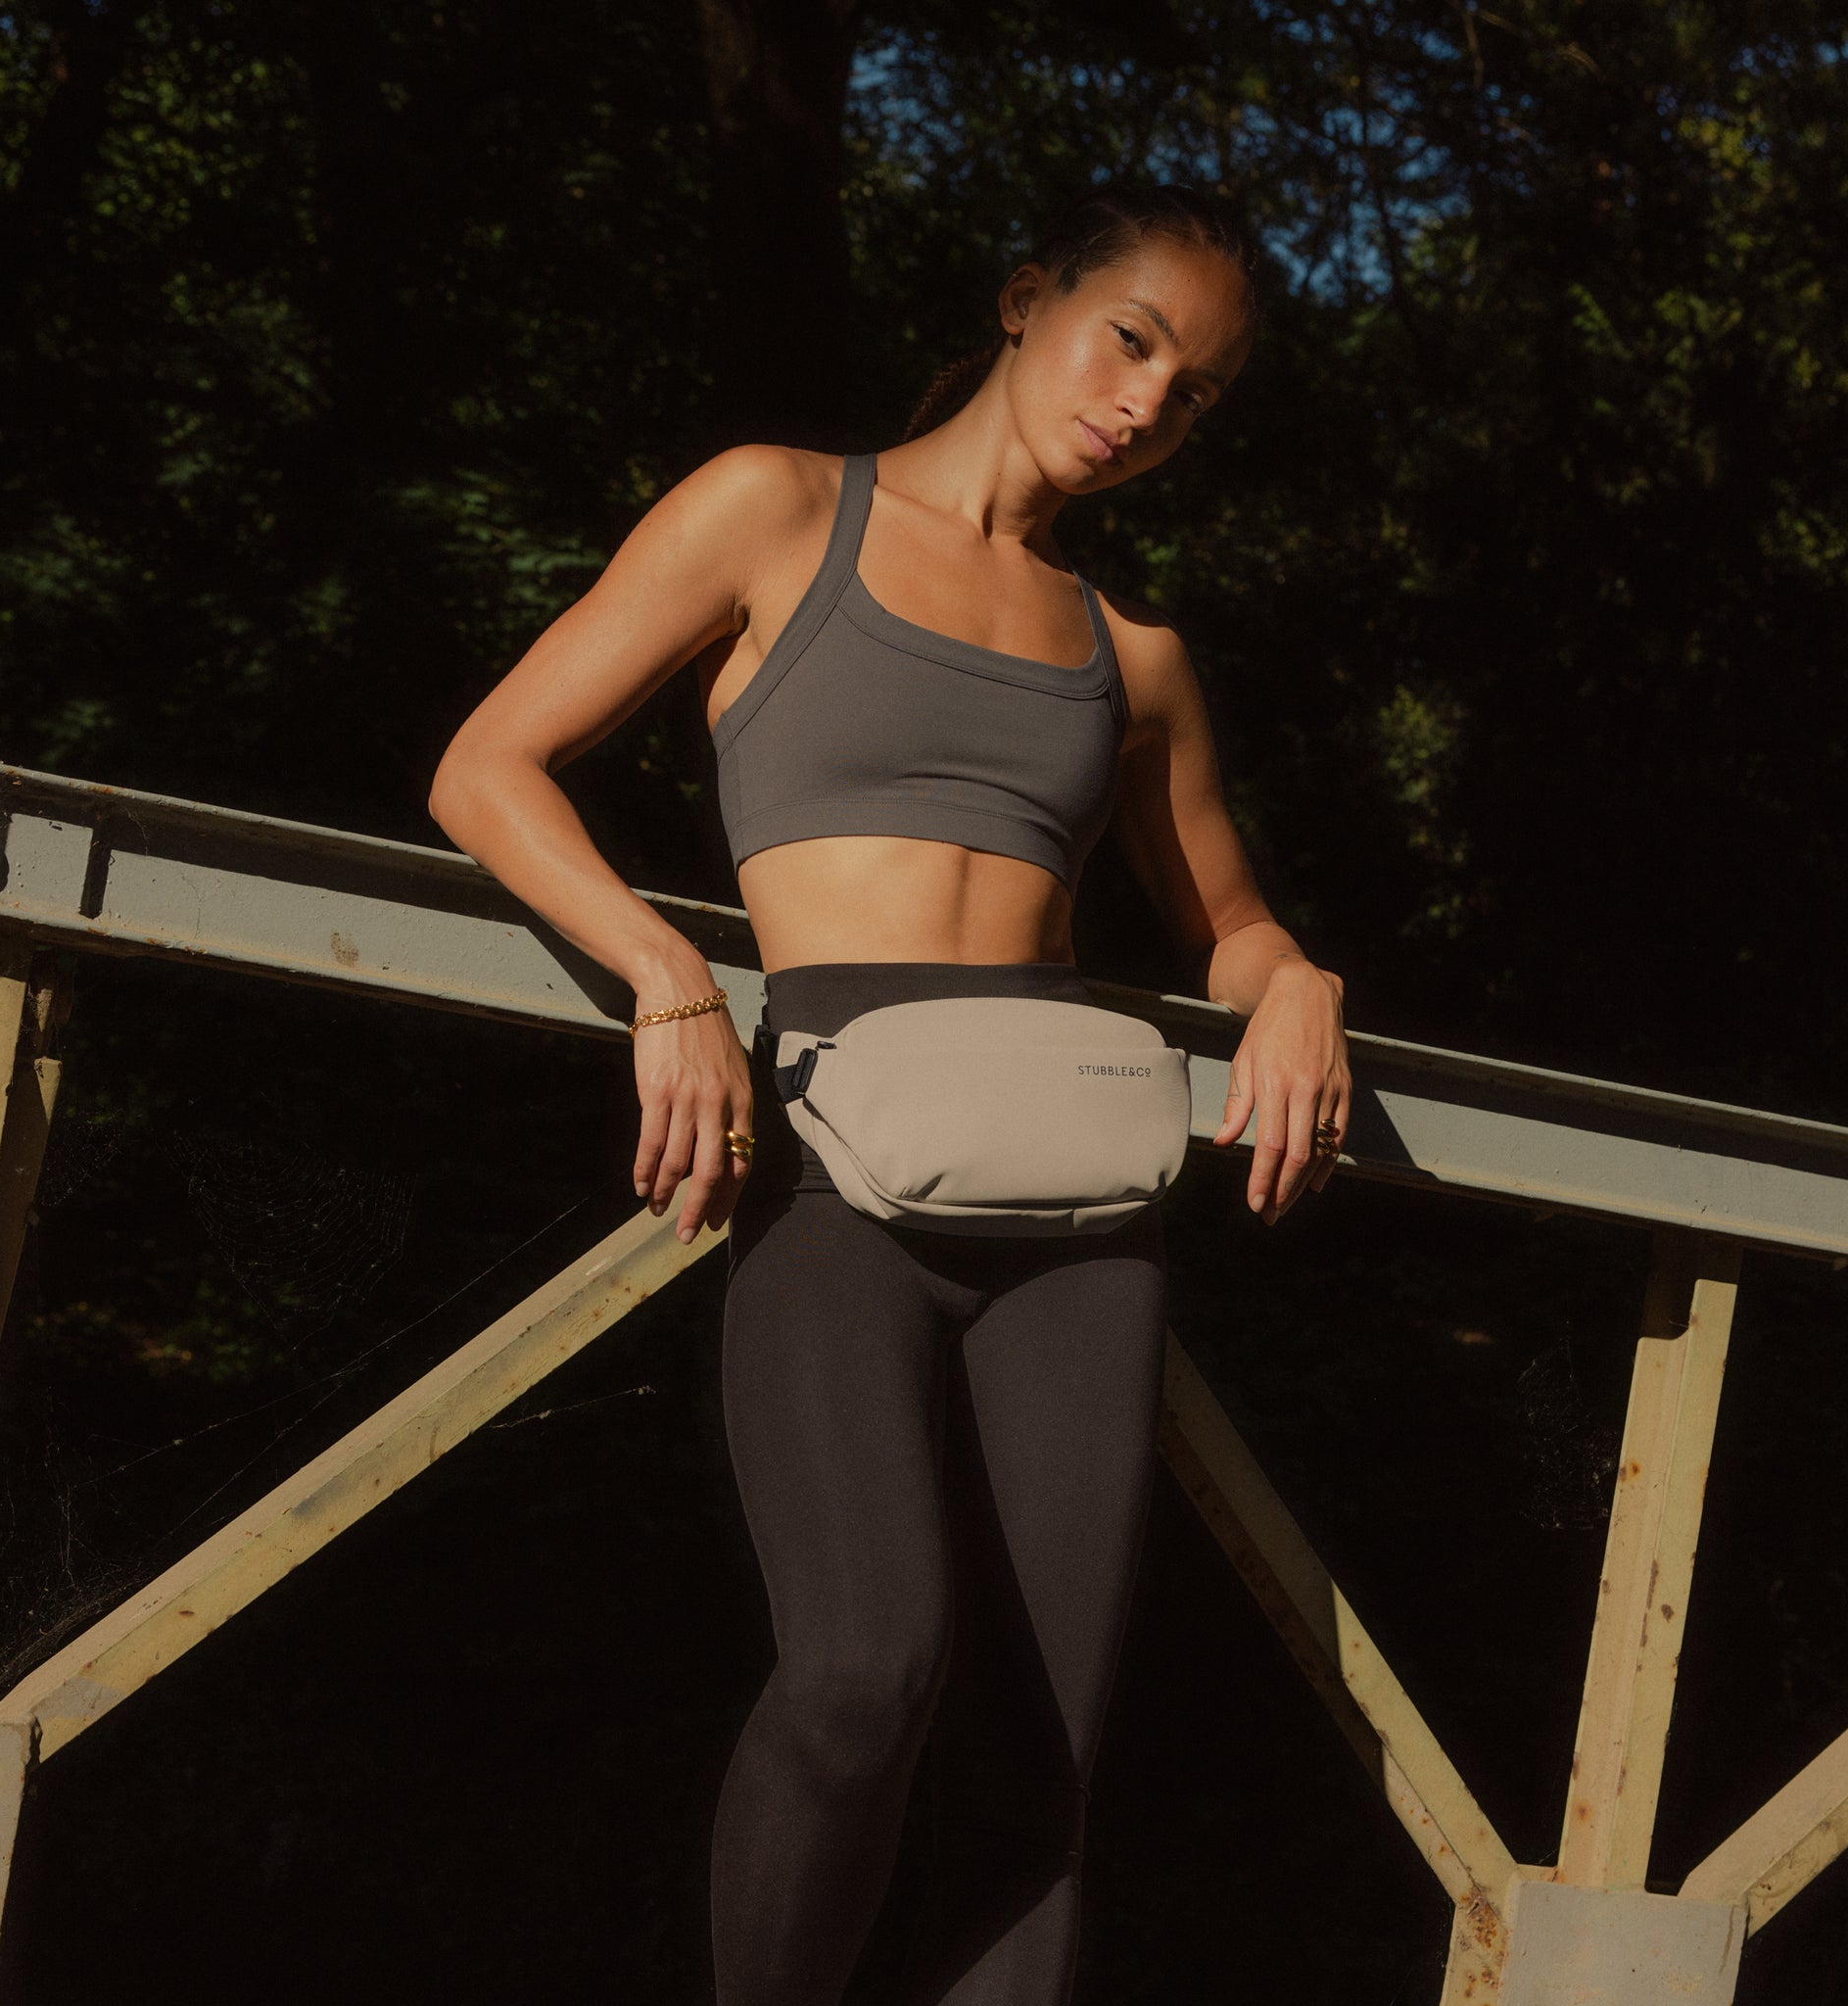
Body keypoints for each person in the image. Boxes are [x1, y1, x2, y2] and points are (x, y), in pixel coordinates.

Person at [428, 180, 1350, 2006]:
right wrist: (668, 977)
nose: (1146, 404)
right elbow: (489, 766)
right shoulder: (777, 509)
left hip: (1079, 1215)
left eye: (1195, 393)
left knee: (1040, 1765)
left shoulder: (1135, 657)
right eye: (1131, 341)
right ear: (1027, 299)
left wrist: (1301, 984)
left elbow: (1231, 927)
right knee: (864, 1666)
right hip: (833, 1158)